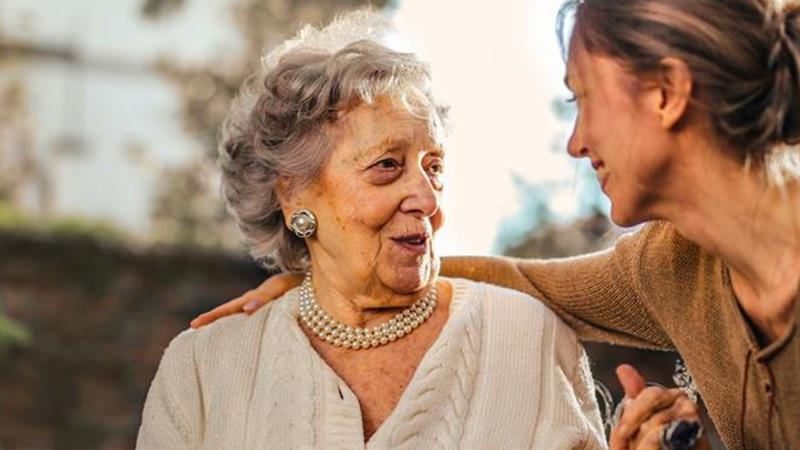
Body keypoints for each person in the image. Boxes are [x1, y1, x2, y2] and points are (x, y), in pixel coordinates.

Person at [193, 1, 800, 449]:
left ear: (667, 93)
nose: (576, 142)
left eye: (582, 98)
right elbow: (522, 280)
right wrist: (333, 276)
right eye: (386, 167)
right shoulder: (671, 267)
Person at [137, 11, 609, 449]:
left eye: (434, 166)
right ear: (294, 195)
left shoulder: (528, 339)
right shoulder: (203, 369)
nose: (427, 199)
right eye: (387, 165)